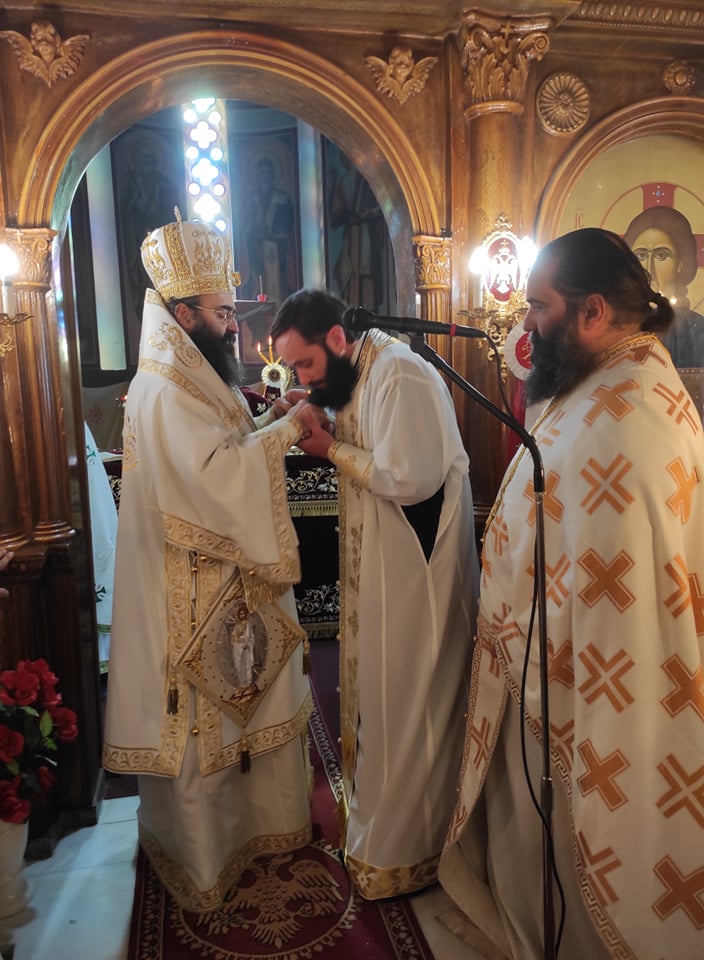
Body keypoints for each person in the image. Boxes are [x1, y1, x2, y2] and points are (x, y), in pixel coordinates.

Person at [439, 228, 704, 959]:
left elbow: (625, 585)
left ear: (592, 311)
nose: (526, 325)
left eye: (539, 306)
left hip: (596, 686)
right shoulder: (603, 380)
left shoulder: (636, 416)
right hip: (548, 657)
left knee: (579, 843)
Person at [102, 213, 326, 913]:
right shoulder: (166, 387)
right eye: (223, 312)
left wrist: (269, 422)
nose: (233, 325)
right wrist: (289, 429)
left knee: (248, 702)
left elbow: (225, 448)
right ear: (183, 313)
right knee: (208, 716)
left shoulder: (193, 374)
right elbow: (212, 483)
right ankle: (207, 854)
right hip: (192, 592)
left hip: (227, 581)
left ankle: (263, 828)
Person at [271, 289, 479, 900]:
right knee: (381, 704)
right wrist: (316, 412)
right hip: (384, 570)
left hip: (416, 579)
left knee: (407, 705)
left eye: (306, 364)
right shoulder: (360, 370)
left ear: (337, 338)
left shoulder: (401, 374)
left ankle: (409, 851)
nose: (303, 378)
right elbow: (374, 440)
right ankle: (380, 837)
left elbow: (409, 477)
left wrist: (328, 448)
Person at [624, 205, 704, 367]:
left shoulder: (696, 329)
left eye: (661, 255)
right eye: (641, 255)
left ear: (680, 265)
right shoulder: (616, 326)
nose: (649, 267)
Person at [243, 156, 295, 304]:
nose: (264, 177)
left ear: (273, 175)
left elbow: (288, 229)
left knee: (279, 284)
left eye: (267, 173)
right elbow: (245, 229)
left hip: (279, 251)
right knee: (259, 283)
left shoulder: (283, 199)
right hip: (256, 250)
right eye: (261, 173)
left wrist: (275, 235)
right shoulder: (250, 200)